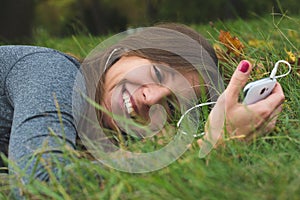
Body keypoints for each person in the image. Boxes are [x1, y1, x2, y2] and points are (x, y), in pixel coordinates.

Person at [0, 23, 284, 185]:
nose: (153, 98)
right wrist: (209, 145)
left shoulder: (94, 131)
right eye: (158, 73)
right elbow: (38, 181)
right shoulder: (54, 73)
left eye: (172, 106)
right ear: (126, 51)